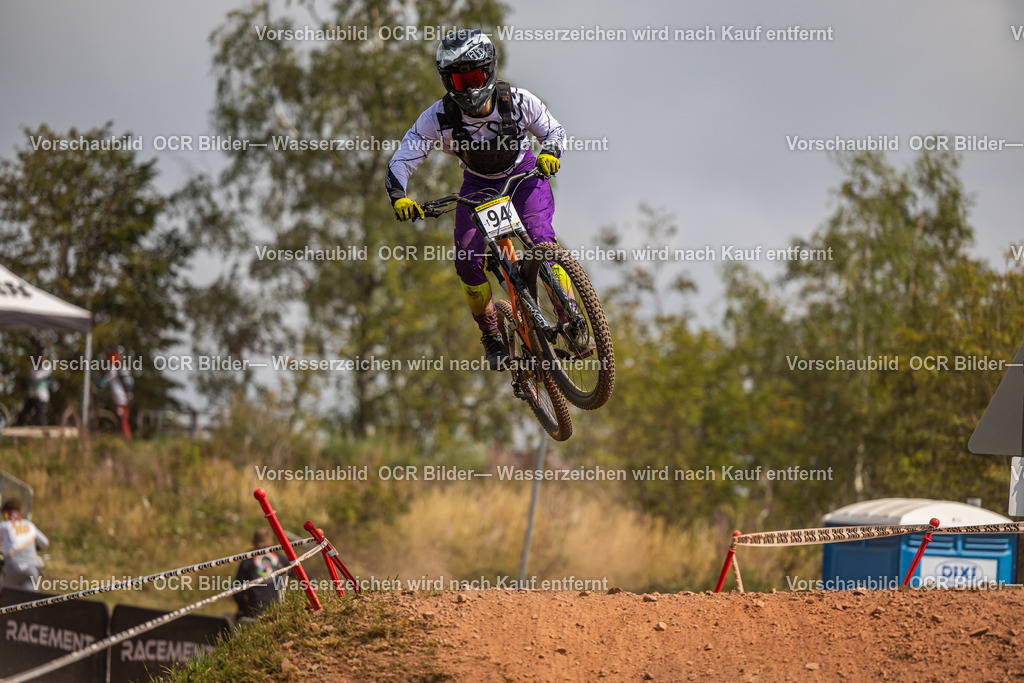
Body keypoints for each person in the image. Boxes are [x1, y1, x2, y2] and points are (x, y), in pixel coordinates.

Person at [386, 28, 567, 370]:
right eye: (458, 80)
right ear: (446, 82)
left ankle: (568, 311)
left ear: (489, 70)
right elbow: (404, 157)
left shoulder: (516, 101)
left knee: (542, 240)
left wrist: (550, 153)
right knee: (468, 261)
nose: (468, 87)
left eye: (473, 76)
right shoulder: (438, 118)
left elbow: (552, 130)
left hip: (523, 177)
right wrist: (400, 197)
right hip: (478, 187)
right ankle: (491, 335)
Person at [233, 529, 286, 622]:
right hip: (276, 612)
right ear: (271, 543)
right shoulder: (280, 559)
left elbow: (237, 591)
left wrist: (243, 608)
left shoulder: (247, 560)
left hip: (253, 612)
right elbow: (304, 575)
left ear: (253, 543)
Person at [0, 499, 49, 591]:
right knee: (31, 600)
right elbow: (45, 543)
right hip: (32, 567)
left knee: (3, 595)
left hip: (12, 566)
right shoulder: (30, 525)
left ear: (5, 514)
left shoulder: (4, 525)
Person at [96, 345, 133, 439]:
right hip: (122, 399)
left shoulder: (116, 368)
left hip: (122, 400)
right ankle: (121, 439)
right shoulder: (123, 368)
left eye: (113, 355)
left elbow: (106, 378)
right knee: (119, 420)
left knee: (122, 421)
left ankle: (126, 439)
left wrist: (100, 383)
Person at [15, 344, 52, 427]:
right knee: (21, 417)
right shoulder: (34, 366)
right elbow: (30, 377)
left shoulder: (47, 366)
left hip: (41, 396)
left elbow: (36, 376)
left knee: (40, 419)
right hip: (32, 395)